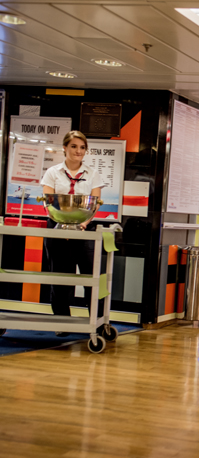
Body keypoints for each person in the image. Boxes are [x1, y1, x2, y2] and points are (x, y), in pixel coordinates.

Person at [41, 130, 105, 335]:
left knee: (91, 279)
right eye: (74, 146)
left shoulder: (92, 174)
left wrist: (83, 224)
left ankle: (97, 321)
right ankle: (62, 323)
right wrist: (64, 226)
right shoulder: (52, 172)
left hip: (85, 230)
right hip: (57, 229)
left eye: (82, 147)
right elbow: (48, 203)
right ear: (65, 148)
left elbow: (95, 204)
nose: (79, 151)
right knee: (60, 278)